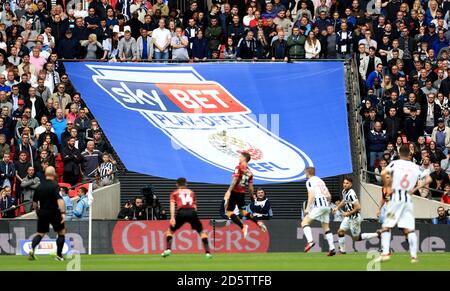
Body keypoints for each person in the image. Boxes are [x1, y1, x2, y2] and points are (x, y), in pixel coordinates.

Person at [378, 145, 430, 263]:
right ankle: (414, 256)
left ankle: (386, 253)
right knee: (409, 229)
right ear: (410, 154)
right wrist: (416, 188)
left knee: (387, 226)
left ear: (399, 153)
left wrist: (387, 186)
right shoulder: (415, 166)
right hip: (407, 199)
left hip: (396, 197)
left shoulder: (395, 164)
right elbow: (428, 179)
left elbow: (383, 173)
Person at [161, 177, 212, 259]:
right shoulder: (191, 192)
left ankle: (168, 250)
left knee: (170, 232)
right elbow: (195, 206)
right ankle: (208, 253)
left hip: (181, 212)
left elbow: (172, 205)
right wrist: (194, 215)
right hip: (192, 212)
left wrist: (172, 217)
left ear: (177, 184)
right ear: (186, 184)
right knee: (201, 232)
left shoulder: (175, 193)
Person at [224, 152, 267, 237]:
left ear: (244, 158)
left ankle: (243, 226)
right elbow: (251, 187)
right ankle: (257, 222)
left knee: (229, 212)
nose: (239, 158)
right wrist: (251, 197)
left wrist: (229, 191)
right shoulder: (250, 172)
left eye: (240, 157)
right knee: (243, 211)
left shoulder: (238, 167)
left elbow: (235, 179)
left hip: (235, 192)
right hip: (242, 194)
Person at [333, 177, 380, 254]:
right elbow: (344, 200)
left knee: (356, 238)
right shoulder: (344, 191)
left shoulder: (352, 194)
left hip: (354, 218)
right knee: (340, 231)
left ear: (351, 184)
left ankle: (377, 234)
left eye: (347, 183)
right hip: (348, 218)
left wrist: (348, 213)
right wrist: (337, 207)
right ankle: (342, 251)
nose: (344, 184)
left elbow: (358, 207)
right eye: (344, 183)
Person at [28, 166, 66, 261]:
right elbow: (60, 200)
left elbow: (35, 202)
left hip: (43, 212)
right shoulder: (55, 185)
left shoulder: (39, 186)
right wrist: (63, 213)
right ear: (54, 174)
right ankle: (59, 255)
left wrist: (37, 211)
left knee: (40, 233)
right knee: (61, 232)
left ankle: (32, 250)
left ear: (45, 174)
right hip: (54, 211)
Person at [301, 166, 336, 256]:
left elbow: (311, 195)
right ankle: (332, 248)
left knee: (304, 222)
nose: (305, 174)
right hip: (326, 206)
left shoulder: (309, 181)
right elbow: (329, 195)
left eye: (305, 172)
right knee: (326, 228)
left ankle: (310, 241)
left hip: (319, 206)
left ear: (308, 172)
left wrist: (307, 208)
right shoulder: (321, 181)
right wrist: (327, 206)